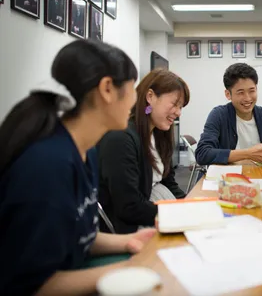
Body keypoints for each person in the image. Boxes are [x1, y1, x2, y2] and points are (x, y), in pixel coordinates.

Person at [0, 40, 156, 295]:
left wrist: (129, 241)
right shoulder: (48, 165)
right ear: (107, 88)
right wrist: (130, 269)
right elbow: (33, 285)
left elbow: (77, 234)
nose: (135, 99)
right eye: (132, 88)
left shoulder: (85, 150)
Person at [98, 68, 190, 234]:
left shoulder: (158, 133)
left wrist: (190, 206)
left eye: (181, 107)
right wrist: (177, 214)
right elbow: (128, 206)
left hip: (156, 213)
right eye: (175, 104)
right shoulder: (121, 138)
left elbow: (169, 182)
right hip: (131, 229)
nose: (178, 112)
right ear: (150, 97)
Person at [196, 63, 262, 165]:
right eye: (240, 92)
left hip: (261, 176)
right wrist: (248, 154)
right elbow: (202, 153)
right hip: (226, 177)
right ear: (228, 94)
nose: (247, 98)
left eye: (252, 91)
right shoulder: (218, 115)